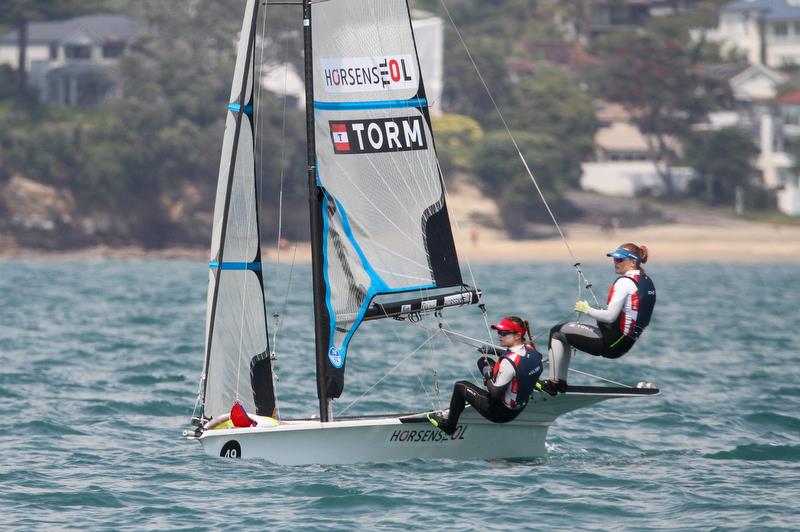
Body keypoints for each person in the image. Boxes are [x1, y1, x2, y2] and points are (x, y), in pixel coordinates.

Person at [538, 243, 656, 395]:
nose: (615, 262)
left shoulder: (624, 282)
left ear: (633, 262)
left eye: (620, 260)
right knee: (570, 330)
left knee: (557, 332)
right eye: (615, 259)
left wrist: (587, 309)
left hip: (611, 343)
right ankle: (559, 382)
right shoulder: (646, 281)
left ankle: (554, 383)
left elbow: (610, 316)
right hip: (624, 343)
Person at [428, 316, 543, 436]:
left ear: (518, 336)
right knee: (483, 361)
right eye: (499, 332)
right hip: (520, 405)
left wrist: (487, 376)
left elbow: (495, 394)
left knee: (460, 386)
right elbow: (520, 362)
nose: (500, 336)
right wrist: (493, 350)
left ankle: (449, 426)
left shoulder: (508, 363)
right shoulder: (531, 351)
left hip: (501, 413)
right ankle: (495, 385)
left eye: (504, 333)